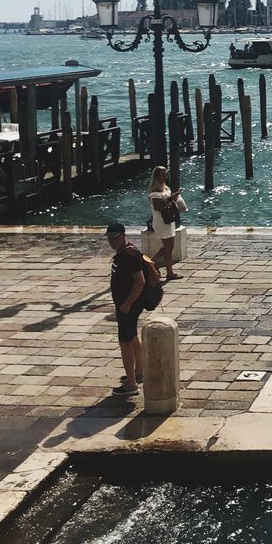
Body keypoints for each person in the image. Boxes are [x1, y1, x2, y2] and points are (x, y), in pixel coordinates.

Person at [106, 222, 145, 395]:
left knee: (125, 343)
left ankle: (131, 384)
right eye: (109, 238)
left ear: (123, 235)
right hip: (126, 305)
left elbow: (140, 281)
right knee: (133, 337)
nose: (112, 242)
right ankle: (139, 372)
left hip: (127, 306)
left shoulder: (128, 256)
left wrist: (127, 304)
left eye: (115, 238)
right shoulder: (124, 252)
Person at [147, 165, 182, 284]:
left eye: (165, 174)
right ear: (157, 176)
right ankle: (168, 272)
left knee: (169, 246)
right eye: (162, 175)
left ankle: (150, 264)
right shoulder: (155, 191)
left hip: (168, 220)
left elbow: (167, 202)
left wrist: (174, 200)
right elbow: (158, 207)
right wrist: (171, 199)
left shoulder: (165, 187)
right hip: (161, 221)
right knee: (168, 247)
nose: (165, 177)